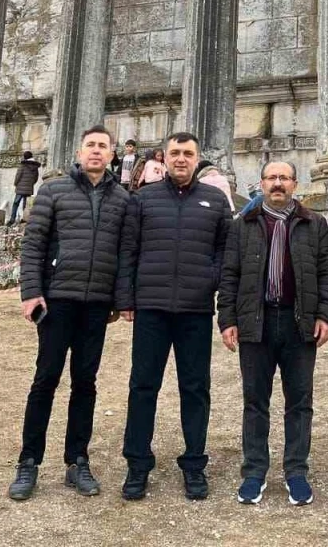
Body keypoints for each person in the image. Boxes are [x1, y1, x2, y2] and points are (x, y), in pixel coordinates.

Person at [8, 127, 126, 501]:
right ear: (80, 151)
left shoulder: (122, 199)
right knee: (45, 380)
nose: (96, 151)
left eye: (102, 146)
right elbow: (33, 244)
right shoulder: (54, 190)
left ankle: (78, 460)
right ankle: (29, 462)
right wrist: (31, 293)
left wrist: (119, 300)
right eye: (90, 145)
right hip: (58, 299)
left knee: (85, 384)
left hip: (95, 305)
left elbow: (125, 255)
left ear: (111, 154)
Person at [116, 132, 233, 501]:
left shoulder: (215, 200)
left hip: (195, 309)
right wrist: (127, 298)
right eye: (175, 153)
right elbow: (128, 251)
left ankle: (194, 464)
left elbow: (226, 254)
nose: (181, 159)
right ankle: (137, 464)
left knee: (195, 389)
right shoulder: (143, 198)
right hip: (151, 307)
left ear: (198, 159)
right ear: (163, 159)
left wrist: (209, 280)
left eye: (188, 153)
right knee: (142, 387)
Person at [218, 160, 328, 507]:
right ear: (261, 183)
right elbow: (229, 275)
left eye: (284, 178)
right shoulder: (243, 226)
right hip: (257, 321)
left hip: (299, 322)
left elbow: (327, 274)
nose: (278, 183)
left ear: (295, 184)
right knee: (255, 402)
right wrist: (227, 319)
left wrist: (326, 316)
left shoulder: (316, 224)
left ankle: (296, 471)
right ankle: (254, 471)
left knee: (299, 403)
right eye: (272, 178)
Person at [8, 151, 41, 226]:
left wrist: (15, 183)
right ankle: (25, 219)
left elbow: (18, 176)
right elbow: (36, 178)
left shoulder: (22, 165)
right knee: (26, 205)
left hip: (20, 188)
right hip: (29, 188)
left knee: (16, 203)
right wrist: (31, 184)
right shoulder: (35, 167)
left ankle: (12, 220)